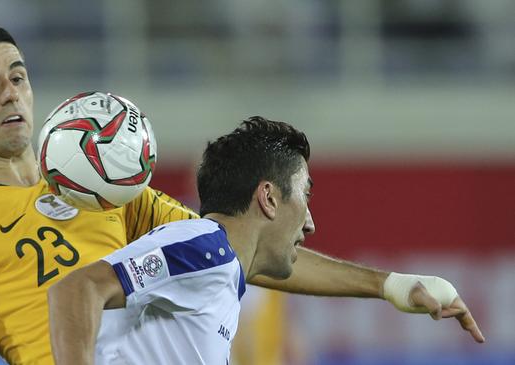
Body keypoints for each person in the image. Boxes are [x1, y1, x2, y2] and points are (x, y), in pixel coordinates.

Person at [0, 22, 483, 365]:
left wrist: (391, 285)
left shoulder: (106, 188)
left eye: (18, 77)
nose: (11, 95)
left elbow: (239, 251)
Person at [47, 117, 483, 365]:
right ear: (269, 198)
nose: (310, 222)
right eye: (305, 195)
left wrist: (392, 286)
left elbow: (281, 267)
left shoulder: (217, 262)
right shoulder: (204, 248)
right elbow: (76, 289)